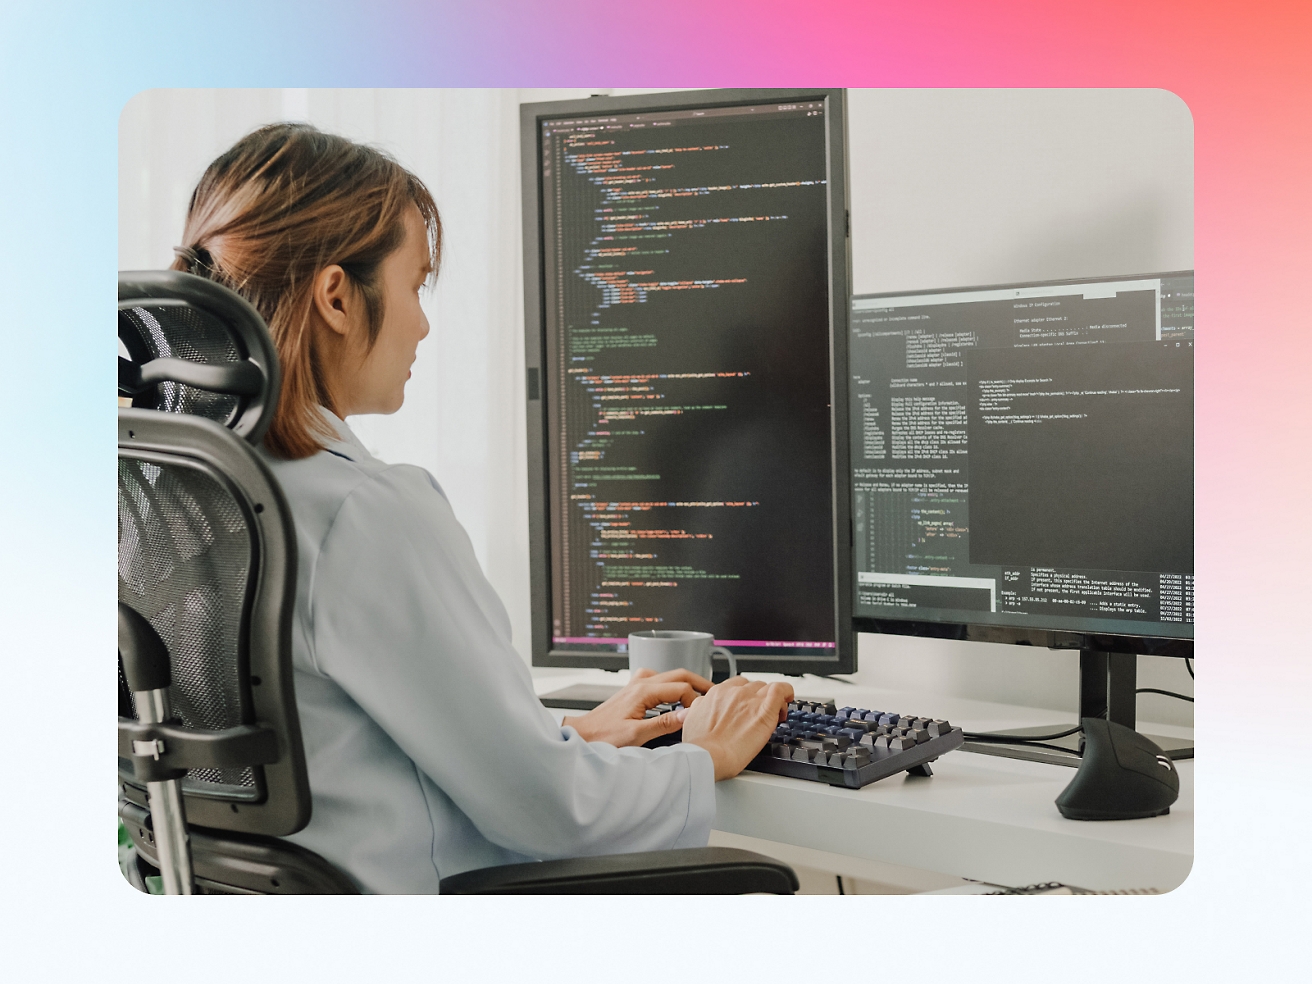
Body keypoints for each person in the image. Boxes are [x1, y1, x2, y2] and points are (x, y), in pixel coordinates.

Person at [171, 123, 794, 893]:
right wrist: (707, 755)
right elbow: (554, 815)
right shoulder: (364, 510)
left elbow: (331, 745)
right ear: (337, 295)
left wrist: (556, 734)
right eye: (414, 284)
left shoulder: (174, 492)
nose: (423, 323)